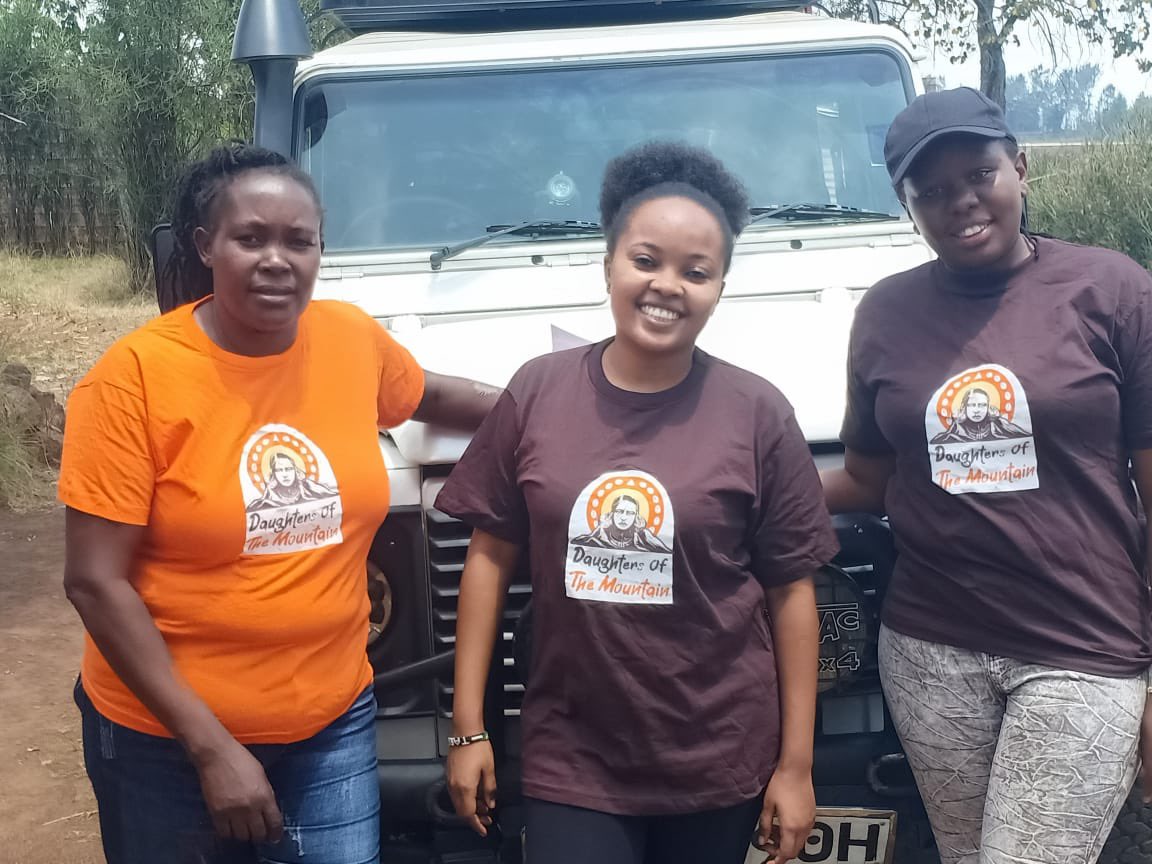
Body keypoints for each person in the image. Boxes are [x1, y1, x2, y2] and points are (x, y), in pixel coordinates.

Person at [60, 143, 499, 864]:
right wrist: (210, 748)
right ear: (206, 245)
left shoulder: (348, 338)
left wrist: (556, 408)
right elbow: (94, 581)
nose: (277, 260)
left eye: (299, 240)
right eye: (250, 238)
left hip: (332, 723)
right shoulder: (133, 380)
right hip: (163, 741)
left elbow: (432, 394)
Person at [434, 141, 837, 864]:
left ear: (720, 286)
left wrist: (796, 767)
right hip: (573, 751)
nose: (667, 286)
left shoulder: (757, 412)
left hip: (717, 753)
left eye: (696, 271)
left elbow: (791, 592)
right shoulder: (538, 391)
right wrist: (468, 729)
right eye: (646, 260)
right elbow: (488, 560)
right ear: (609, 265)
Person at [822, 87, 1152, 864]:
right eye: (930, 190)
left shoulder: (1113, 290)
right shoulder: (885, 314)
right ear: (907, 205)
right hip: (932, 649)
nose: (960, 201)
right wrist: (727, 494)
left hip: (1084, 645)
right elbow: (867, 477)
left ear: (1021, 169)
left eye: (978, 175)